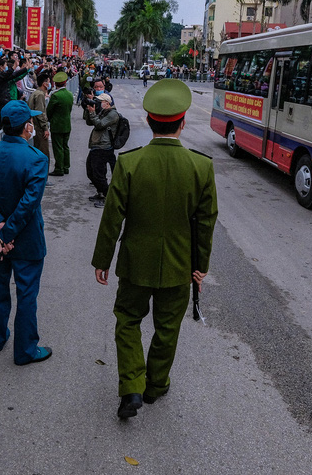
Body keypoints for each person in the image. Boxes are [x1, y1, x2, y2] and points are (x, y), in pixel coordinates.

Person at [91, 79, 218, 420]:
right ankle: (156, 385)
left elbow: (112, 217)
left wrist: (102, 260)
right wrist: (200, 266)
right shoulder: (201, 167)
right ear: (183, 120)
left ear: (148, 121)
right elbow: (206, 223)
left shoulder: (130, 164)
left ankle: (131, 385)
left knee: (128, 321)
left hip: (135, 263)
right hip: (179, 266)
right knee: (168, 327)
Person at [0, 100, 52, 365]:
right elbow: (29, 204)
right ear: (26, 127)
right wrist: (8, 232)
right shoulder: (37, 159)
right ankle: (25, 350)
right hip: (25, 238)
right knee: (27, 293)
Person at [83, 93, 119, 206]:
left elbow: (99, 124)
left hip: (104, 146)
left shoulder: (113, 114)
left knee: (99, 174)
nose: (98, 104)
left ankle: (108, 197)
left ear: (107, 103)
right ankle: (100, 192)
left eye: (100, 102)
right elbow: (89, 122)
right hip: (97, 145)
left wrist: (93, 113)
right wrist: (88, 110)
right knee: (90, 171)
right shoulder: (103, 111)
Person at [45, 71, 73, 176]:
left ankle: (59, 168)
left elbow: (49, 111)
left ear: (55, 84)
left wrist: (49, 119)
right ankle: (66, 167)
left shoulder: (55, 95)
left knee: (58, 147)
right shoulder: (69, 94)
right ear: (65, 83)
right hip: (67, 123)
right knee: (65, 146)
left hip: (57, 125)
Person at [27, 71, 51, 158]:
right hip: (39, 128)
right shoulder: (40, 95)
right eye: (48, 81)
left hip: (35, 126)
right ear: (44, 84)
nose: (50, 83)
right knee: (43, 153)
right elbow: (40, 113)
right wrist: (45, 128)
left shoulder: (35, 93)